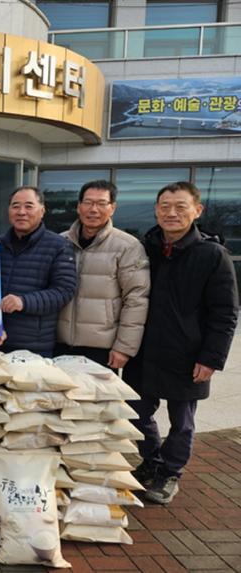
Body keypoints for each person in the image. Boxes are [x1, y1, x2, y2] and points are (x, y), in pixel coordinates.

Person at [125, 181, 238, 505]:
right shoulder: (145, 249)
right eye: (165, 207)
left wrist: (211, 358)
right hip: (144, 352)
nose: (171, 213)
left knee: (182, 422)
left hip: (188, 355)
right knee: (135, 413)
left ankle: (170, 472)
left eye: (180, 207)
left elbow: (225, 313)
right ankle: (152, 462)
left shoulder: (212, 255)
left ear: (197, 210)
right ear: (156, 210)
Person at [56, 180, 150, 369]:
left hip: (102, 348)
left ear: (112, 208)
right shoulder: (59, 241)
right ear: (79, 206)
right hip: (59, 344)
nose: (93, 209)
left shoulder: (127, 246)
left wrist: (124, 347)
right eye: (88, 202)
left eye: (101, 203)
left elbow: (136, 299)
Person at [0, 186, 77, 357]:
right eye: (16, 206)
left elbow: (64, 291)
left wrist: (23, 302)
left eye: (29, 206)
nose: (21, 212)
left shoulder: (59, 245)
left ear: (42, 211)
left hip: (34, 345)